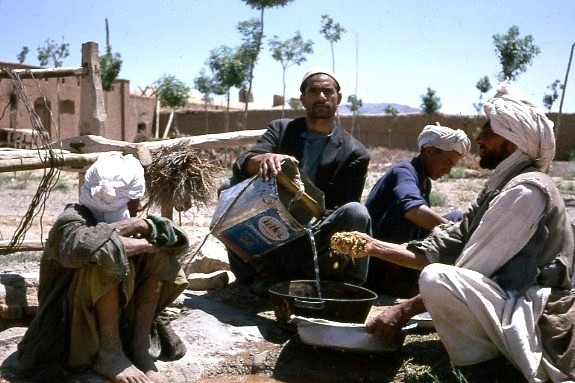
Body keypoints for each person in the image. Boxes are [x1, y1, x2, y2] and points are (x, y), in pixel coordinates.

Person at [335, 84, 574, 382]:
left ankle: (484, 368)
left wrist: (404, 309)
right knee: (439, 264)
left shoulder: (525, 191)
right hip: (511, 296)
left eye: (488, 130)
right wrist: (372, 246)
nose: (479, 139)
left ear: (512, 142)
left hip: (535, 312)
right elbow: (452, 238)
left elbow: (471, 267)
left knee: (436, 277)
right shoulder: (499, 187)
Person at [17, 153, 189, 383]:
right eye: (137, 200)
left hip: (120, 321)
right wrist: (148, 244)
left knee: (160, 257)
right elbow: (96, 246)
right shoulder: (69, 222)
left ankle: (140, 345)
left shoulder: (136, 221)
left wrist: (144, 226)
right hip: (68, 330)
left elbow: (180, 241)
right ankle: (109, 353)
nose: (140, 205)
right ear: (132, 200)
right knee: (108, 257)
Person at [219, 67, 371, 293]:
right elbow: (243, 163)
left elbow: (338, 210)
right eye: (314, 91)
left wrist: (302, 216)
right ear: (303, 99)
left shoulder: (354, 153)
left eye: (327, 91)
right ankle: (255, 276)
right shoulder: (281, 129)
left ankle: (345, 287)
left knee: (357, 213)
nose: (321, 97)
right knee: (227, 188)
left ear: (338, 98)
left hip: (313, 239)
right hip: (268, 229)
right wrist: (265, 158)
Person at [364, 124, 470, 297]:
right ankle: (391, 284)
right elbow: (413, 211)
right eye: (447, 162)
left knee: (457, 216)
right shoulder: (405, 171)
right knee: (410, 214)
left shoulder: (424, 181)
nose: (449, 170)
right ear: (429, 151)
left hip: (400, 252)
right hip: (376, 259)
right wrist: (454, 233)